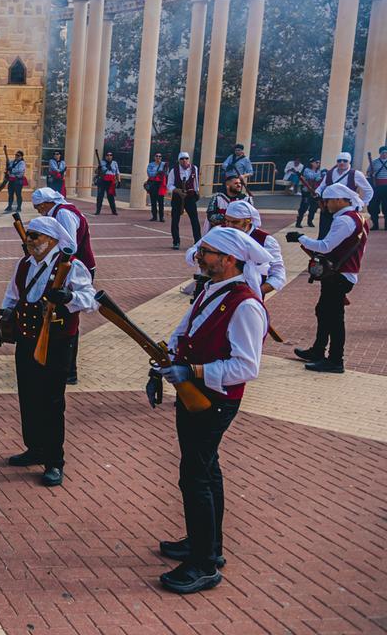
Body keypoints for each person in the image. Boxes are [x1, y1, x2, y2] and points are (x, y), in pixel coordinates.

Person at [153, 227, 269, 595]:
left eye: (207, 252)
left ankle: (203, 565)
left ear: (230, 260)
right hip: (193, 394)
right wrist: (165, 363)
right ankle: (207, 546)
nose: (199, 257)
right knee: (206, 470)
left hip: (214, 400)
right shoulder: (209, 291)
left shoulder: (246, 304)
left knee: (195, 478)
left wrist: (193, 371)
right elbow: (182, 333)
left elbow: (246, 366)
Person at [0, 216, 97, 488]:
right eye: (29, 235)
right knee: (28, 395)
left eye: (35, 236)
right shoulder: (24, 265)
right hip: (27, 339)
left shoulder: (70, 267)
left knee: (52, 401)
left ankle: (54, 461)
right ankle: (35, 448)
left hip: (57, 341)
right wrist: (3, 319)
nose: (29, 240)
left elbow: (90, 299)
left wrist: (69, 298)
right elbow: (13, 295)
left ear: (51, 240)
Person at [288, 185, 369, 374]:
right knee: (324, 312)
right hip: (342, 274)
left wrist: (301, 238)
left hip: (338, 275)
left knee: (334, 318)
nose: (326, 205)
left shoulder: (344, 220)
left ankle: (335, 360)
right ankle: (318, 350)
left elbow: (325, 246)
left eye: (328, 201)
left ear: (341, 200)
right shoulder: (358, 217)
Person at [31, 187, 94, 385]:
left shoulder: (64, 213)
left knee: (68, 318)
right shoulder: (62, 210)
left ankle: (69, 369)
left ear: (44, 203)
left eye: (38, 207)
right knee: (54, 315)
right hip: (62, 266)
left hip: (73, 268)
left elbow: (69, 246)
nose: (39, 211)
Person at [188, 200, 285, 298]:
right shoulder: (220, 232)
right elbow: (192, 250)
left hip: (247, 298)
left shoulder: (265, 240)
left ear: (248, 220)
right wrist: (203, 254)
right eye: (227, 220)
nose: (229, 225)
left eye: (235, 222)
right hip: (215, 293)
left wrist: (255, 292)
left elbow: (278, 275)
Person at [315, 152, 372, 238]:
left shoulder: (356, 174)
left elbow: (369, 190)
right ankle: (322, 250)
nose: (342, 162)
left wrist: (363, 203)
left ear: (349, 162)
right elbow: (321, 186)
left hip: (346, 208)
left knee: (344, 233)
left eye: (345, 161)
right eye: (339, 160)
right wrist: (317, 193)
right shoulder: (330, 173)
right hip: (329, 206)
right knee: (325, 231)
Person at [167, 152, 202, 250]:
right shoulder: (174, 170)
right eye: (182, 159)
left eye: (186, 158)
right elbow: (169, 185)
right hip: (178, 197)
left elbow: (196, 182)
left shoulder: (194, 168)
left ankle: (197, 241)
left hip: (190, 196)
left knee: (194, 220)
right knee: (175, 220)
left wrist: (197, 192)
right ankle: (176, 241)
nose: (184, 160)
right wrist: (177, 190)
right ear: (179, 160)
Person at [295, 157, 323, 228]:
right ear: (312, 163)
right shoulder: (307, 170)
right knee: (304, 207)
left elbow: (319, 179)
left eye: (319, 163)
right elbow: (310, 177)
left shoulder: (319, 171)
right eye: (316, 162)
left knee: (313, 207)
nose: (318, 164)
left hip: (314, 191)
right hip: (306, 191)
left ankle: (310, 221)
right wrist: (317, 177)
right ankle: (298, 222)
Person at [94, 150, 119, 216]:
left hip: (111, 182)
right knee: (100, 196)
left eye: (110, 155)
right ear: (105, 156)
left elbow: (117, 173)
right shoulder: (102, 163)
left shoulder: (114, 163)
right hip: (103, 181)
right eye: (107, 155)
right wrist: (99, 168)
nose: (109, 156)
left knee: (111, 197)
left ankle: (114, 211)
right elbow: (96, 172)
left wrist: (119, 181)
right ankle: (98, 211)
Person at [146, 153, 169, 222]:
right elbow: (150, 174)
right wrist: (157, 173)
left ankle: (161, 217)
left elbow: (166, 173)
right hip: (153, 184)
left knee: (161, 202)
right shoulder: (151, 164)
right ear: (154, 157)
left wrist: (160, 173)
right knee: (153, 201)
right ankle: (154, 216)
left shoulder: (164, 164)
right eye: (157, 156)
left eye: (160, 156)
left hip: (160, 185)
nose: (158, 157)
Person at [369, 146, 387, 230]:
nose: (384, 154)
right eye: (383, 152)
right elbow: (368, 172)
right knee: (373, 207)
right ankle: (375, 224)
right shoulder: (374, 162)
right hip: (377, 186)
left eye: (386, 152)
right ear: (380, 153)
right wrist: (371, 173)